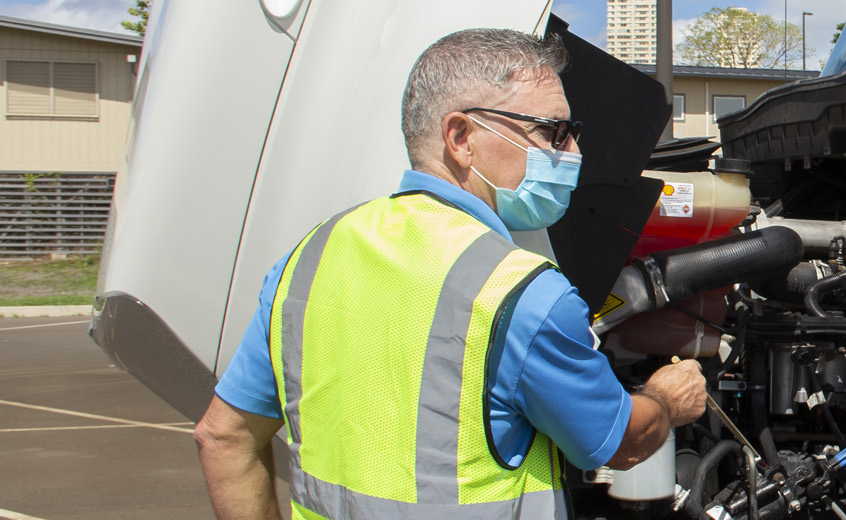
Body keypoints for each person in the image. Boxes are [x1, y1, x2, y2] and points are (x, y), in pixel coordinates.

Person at [191, 29, 707, 520]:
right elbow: (622, 443)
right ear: (461, 137)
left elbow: (224, 437)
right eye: (553, 132)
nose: (572, 154)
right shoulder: (522, 294)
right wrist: (665, 398)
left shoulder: (306, 259)